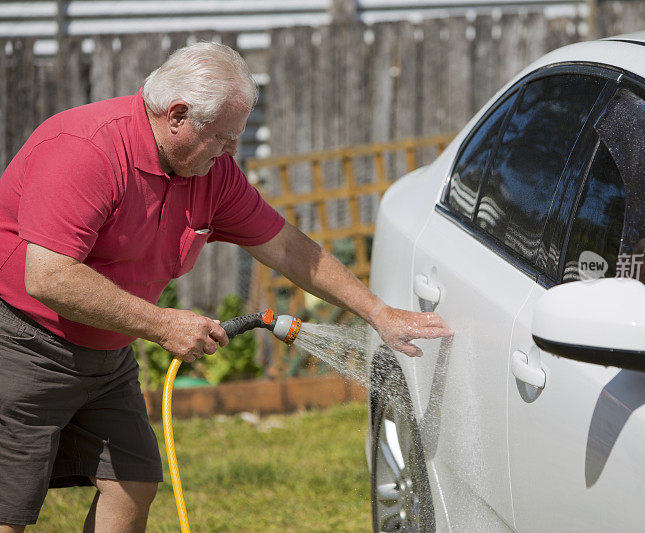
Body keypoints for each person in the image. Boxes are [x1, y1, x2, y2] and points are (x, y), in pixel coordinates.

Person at [0, 42, 451, 532]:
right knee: (11, 505)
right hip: (23, 344)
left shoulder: (211, 174)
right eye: (224, 136)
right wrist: (163, 323)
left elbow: (288, 249)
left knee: (132, 479)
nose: (233, 150)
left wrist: (378, 312)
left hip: (107, 357)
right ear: (177, 116)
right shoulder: (85, 149)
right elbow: (48, 275)